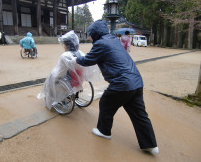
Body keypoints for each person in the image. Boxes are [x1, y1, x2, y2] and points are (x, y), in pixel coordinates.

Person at [72, 20, 159, 154]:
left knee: (106, 103)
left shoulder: (100, 43)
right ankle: (151, 145)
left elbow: (87, 60)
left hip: (122, 83)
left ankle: (104, 131)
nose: (90, 37)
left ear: (95, 34)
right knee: (139, 114)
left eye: (90, 34)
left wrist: (75, 59)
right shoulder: (113, 40)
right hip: (136, 81)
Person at [37, 30, 99, 109]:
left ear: (67, 45)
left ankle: (53, 99)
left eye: (64, 44)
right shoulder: (81, 53)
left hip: (65, 81)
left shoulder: (65, 55)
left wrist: (52, 77)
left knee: (49, 81)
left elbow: (59, 72)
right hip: (77, 80)